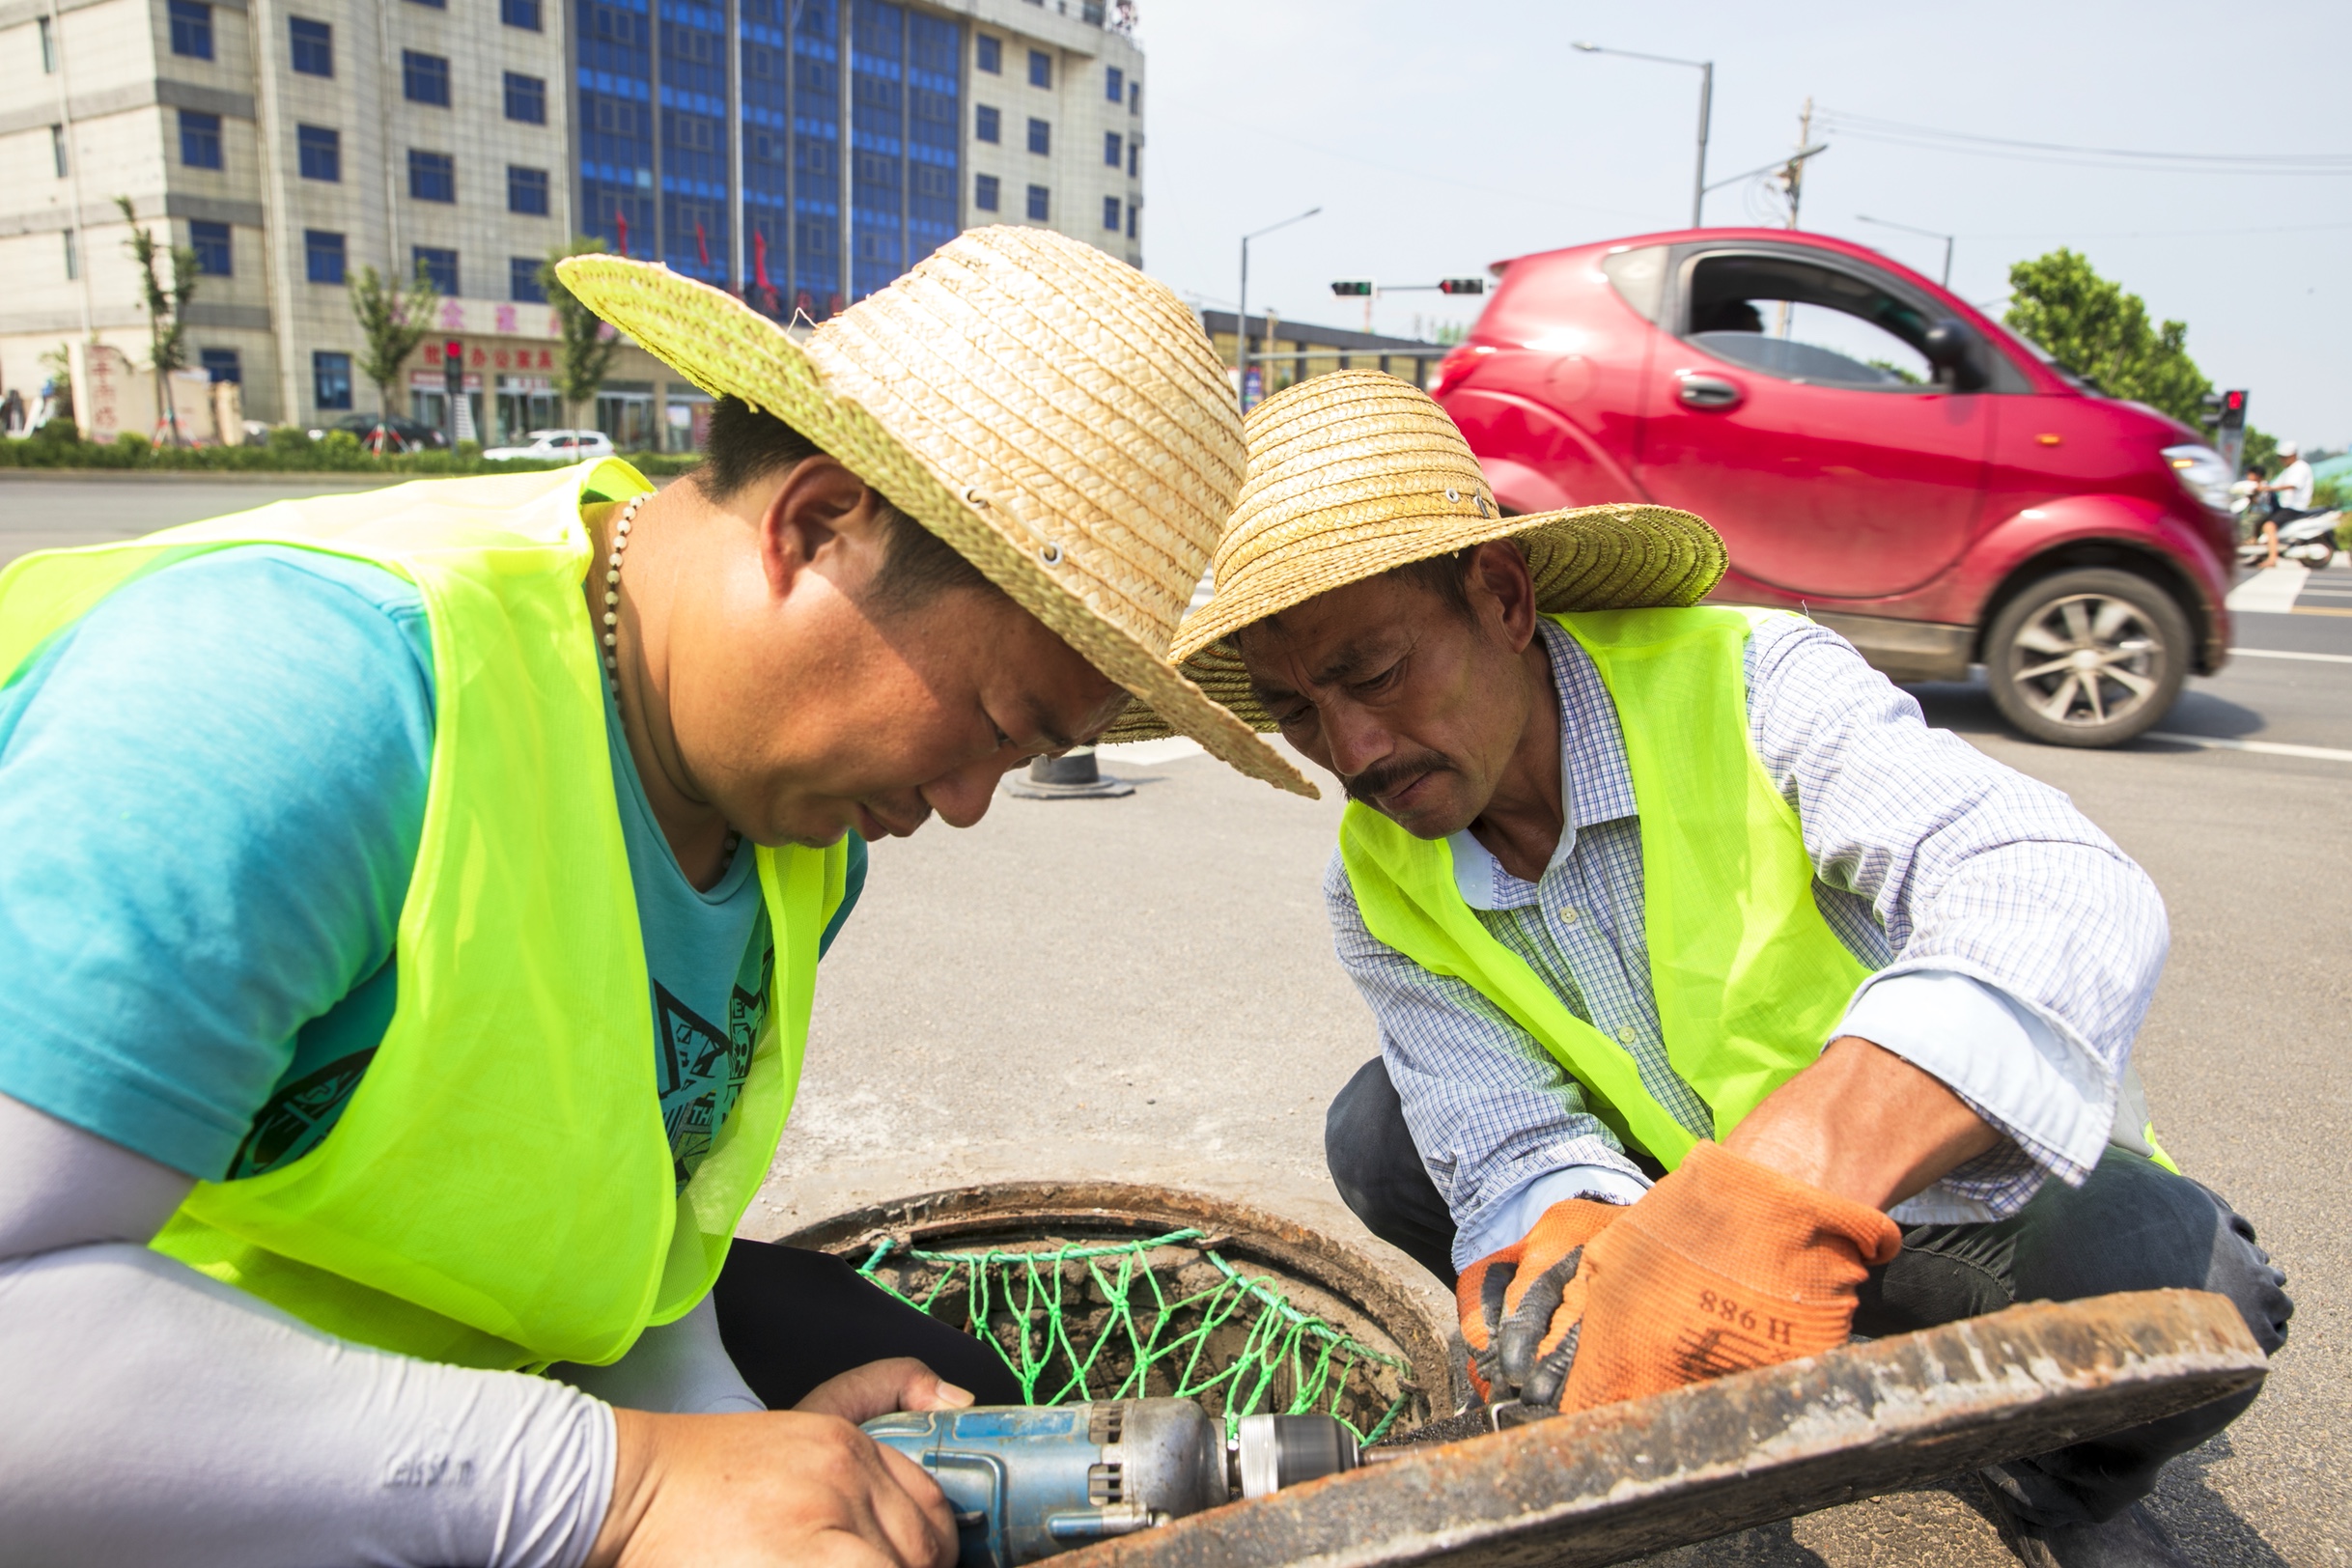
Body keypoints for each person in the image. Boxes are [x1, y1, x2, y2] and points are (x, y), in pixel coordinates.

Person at [0, 228, 1309, 1567]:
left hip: (488, 1386)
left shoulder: (793, 827)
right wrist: (619, 1490)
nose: (970, 805)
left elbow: (638, 1236)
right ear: (813, 526)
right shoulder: (288, 705)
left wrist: (732, 1440)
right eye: (989, 721)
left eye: (1026, 761)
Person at [1115, 371, 2291, 1568]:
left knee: (2188, 1281)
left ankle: (2056, 1476)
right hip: (1685, 1205)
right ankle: (1692, 1430)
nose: (1351, 749)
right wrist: (1581, 1278)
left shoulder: (1753, 681)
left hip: (1943, 1207)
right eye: (1298, 711)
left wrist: (1794, 1181)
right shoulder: (1373, 876)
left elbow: (2054, 882)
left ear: (1503, 598)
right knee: (1381, 1129)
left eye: (1371, 673)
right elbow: (1510, 1138)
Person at [2255, 439, 2315, 569]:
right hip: (2284, 506)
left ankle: (2272, 558)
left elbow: (2292, 485)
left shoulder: (2300, 467)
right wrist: (2264, 486)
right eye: (2280, 457)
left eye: (2284, 457)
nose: (2281, 460)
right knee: (2261, 519)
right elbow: (2275, 483)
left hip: (2294, 507)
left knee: (2269, 526)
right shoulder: (2288, 469)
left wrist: (2270, 489)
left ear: (2293, 455)